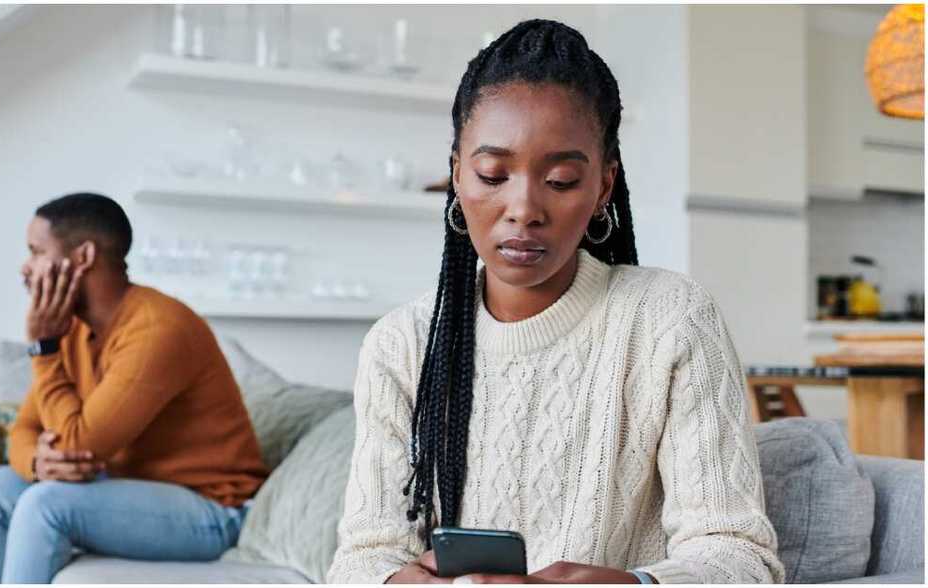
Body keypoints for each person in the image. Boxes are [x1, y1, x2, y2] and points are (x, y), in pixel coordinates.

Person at [327, 19, 784, 585]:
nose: (523, 207)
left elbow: (740, 557)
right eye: (493, 174)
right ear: (456, 175)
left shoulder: (671, 319)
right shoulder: (402, 344)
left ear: (603, 188)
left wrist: (632, 584)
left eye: (562, 180)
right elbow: (361, 560)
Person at [0, 193, 268, 583]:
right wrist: (36, 462)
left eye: (36, 252)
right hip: (126, 488)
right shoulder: (70, 326)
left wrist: (44, 349)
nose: (25, 268)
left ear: (83, 256)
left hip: (210, 510)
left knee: (47, 503)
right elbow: (24, 429)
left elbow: (75, 445)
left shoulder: (157, 329)